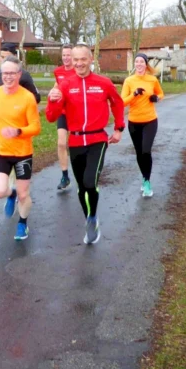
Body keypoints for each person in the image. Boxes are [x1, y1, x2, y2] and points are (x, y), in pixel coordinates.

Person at [45, 44, 125, 245]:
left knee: (90, 182)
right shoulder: (65, 85)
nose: (79, 63)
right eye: (75, 59)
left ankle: (92, 216)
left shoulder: (103, 83)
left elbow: (117, 103)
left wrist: (118, 128)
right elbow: (51, 117)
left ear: (91, 60)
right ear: (71, 61)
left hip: (97, 139)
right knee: (81, 187)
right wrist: (52, 101)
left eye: (83, 59)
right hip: (75, 140)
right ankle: (90, 218)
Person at [0, 57, 41, 240]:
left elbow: (36, 127)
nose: (8, 77)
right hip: (1, 152)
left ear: (19, 74)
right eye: (5, 73)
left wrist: (18, 131)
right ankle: (10, 192)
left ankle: (22, 223)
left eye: (12, 73)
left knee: (24, 194)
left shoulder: (27, 97)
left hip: (23, 153)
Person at [121, 52, 164, 197]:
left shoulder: (152, 80)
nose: (139, 64)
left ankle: (147, 181)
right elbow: (122, 102)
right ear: (134, 64)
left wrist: (156, 98)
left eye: (141, 62)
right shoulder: (129, 81)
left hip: (150, 121)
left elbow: (161, 94)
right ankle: (144, 178)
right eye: (137, 62)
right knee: (139, 152)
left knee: (146, 150)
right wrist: (134, 94)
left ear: (146, 65)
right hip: (134, 122)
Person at [52, 44, 76, 192]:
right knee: (61, 143)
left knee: (76, 146)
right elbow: (57, 84)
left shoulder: (78, 70)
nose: (66, 58)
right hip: (62, 112)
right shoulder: (58, 71)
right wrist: (53, 91)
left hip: (76, 112)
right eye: (64, 55)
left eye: (69, 55)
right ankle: (65, 176)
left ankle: (83, 174)